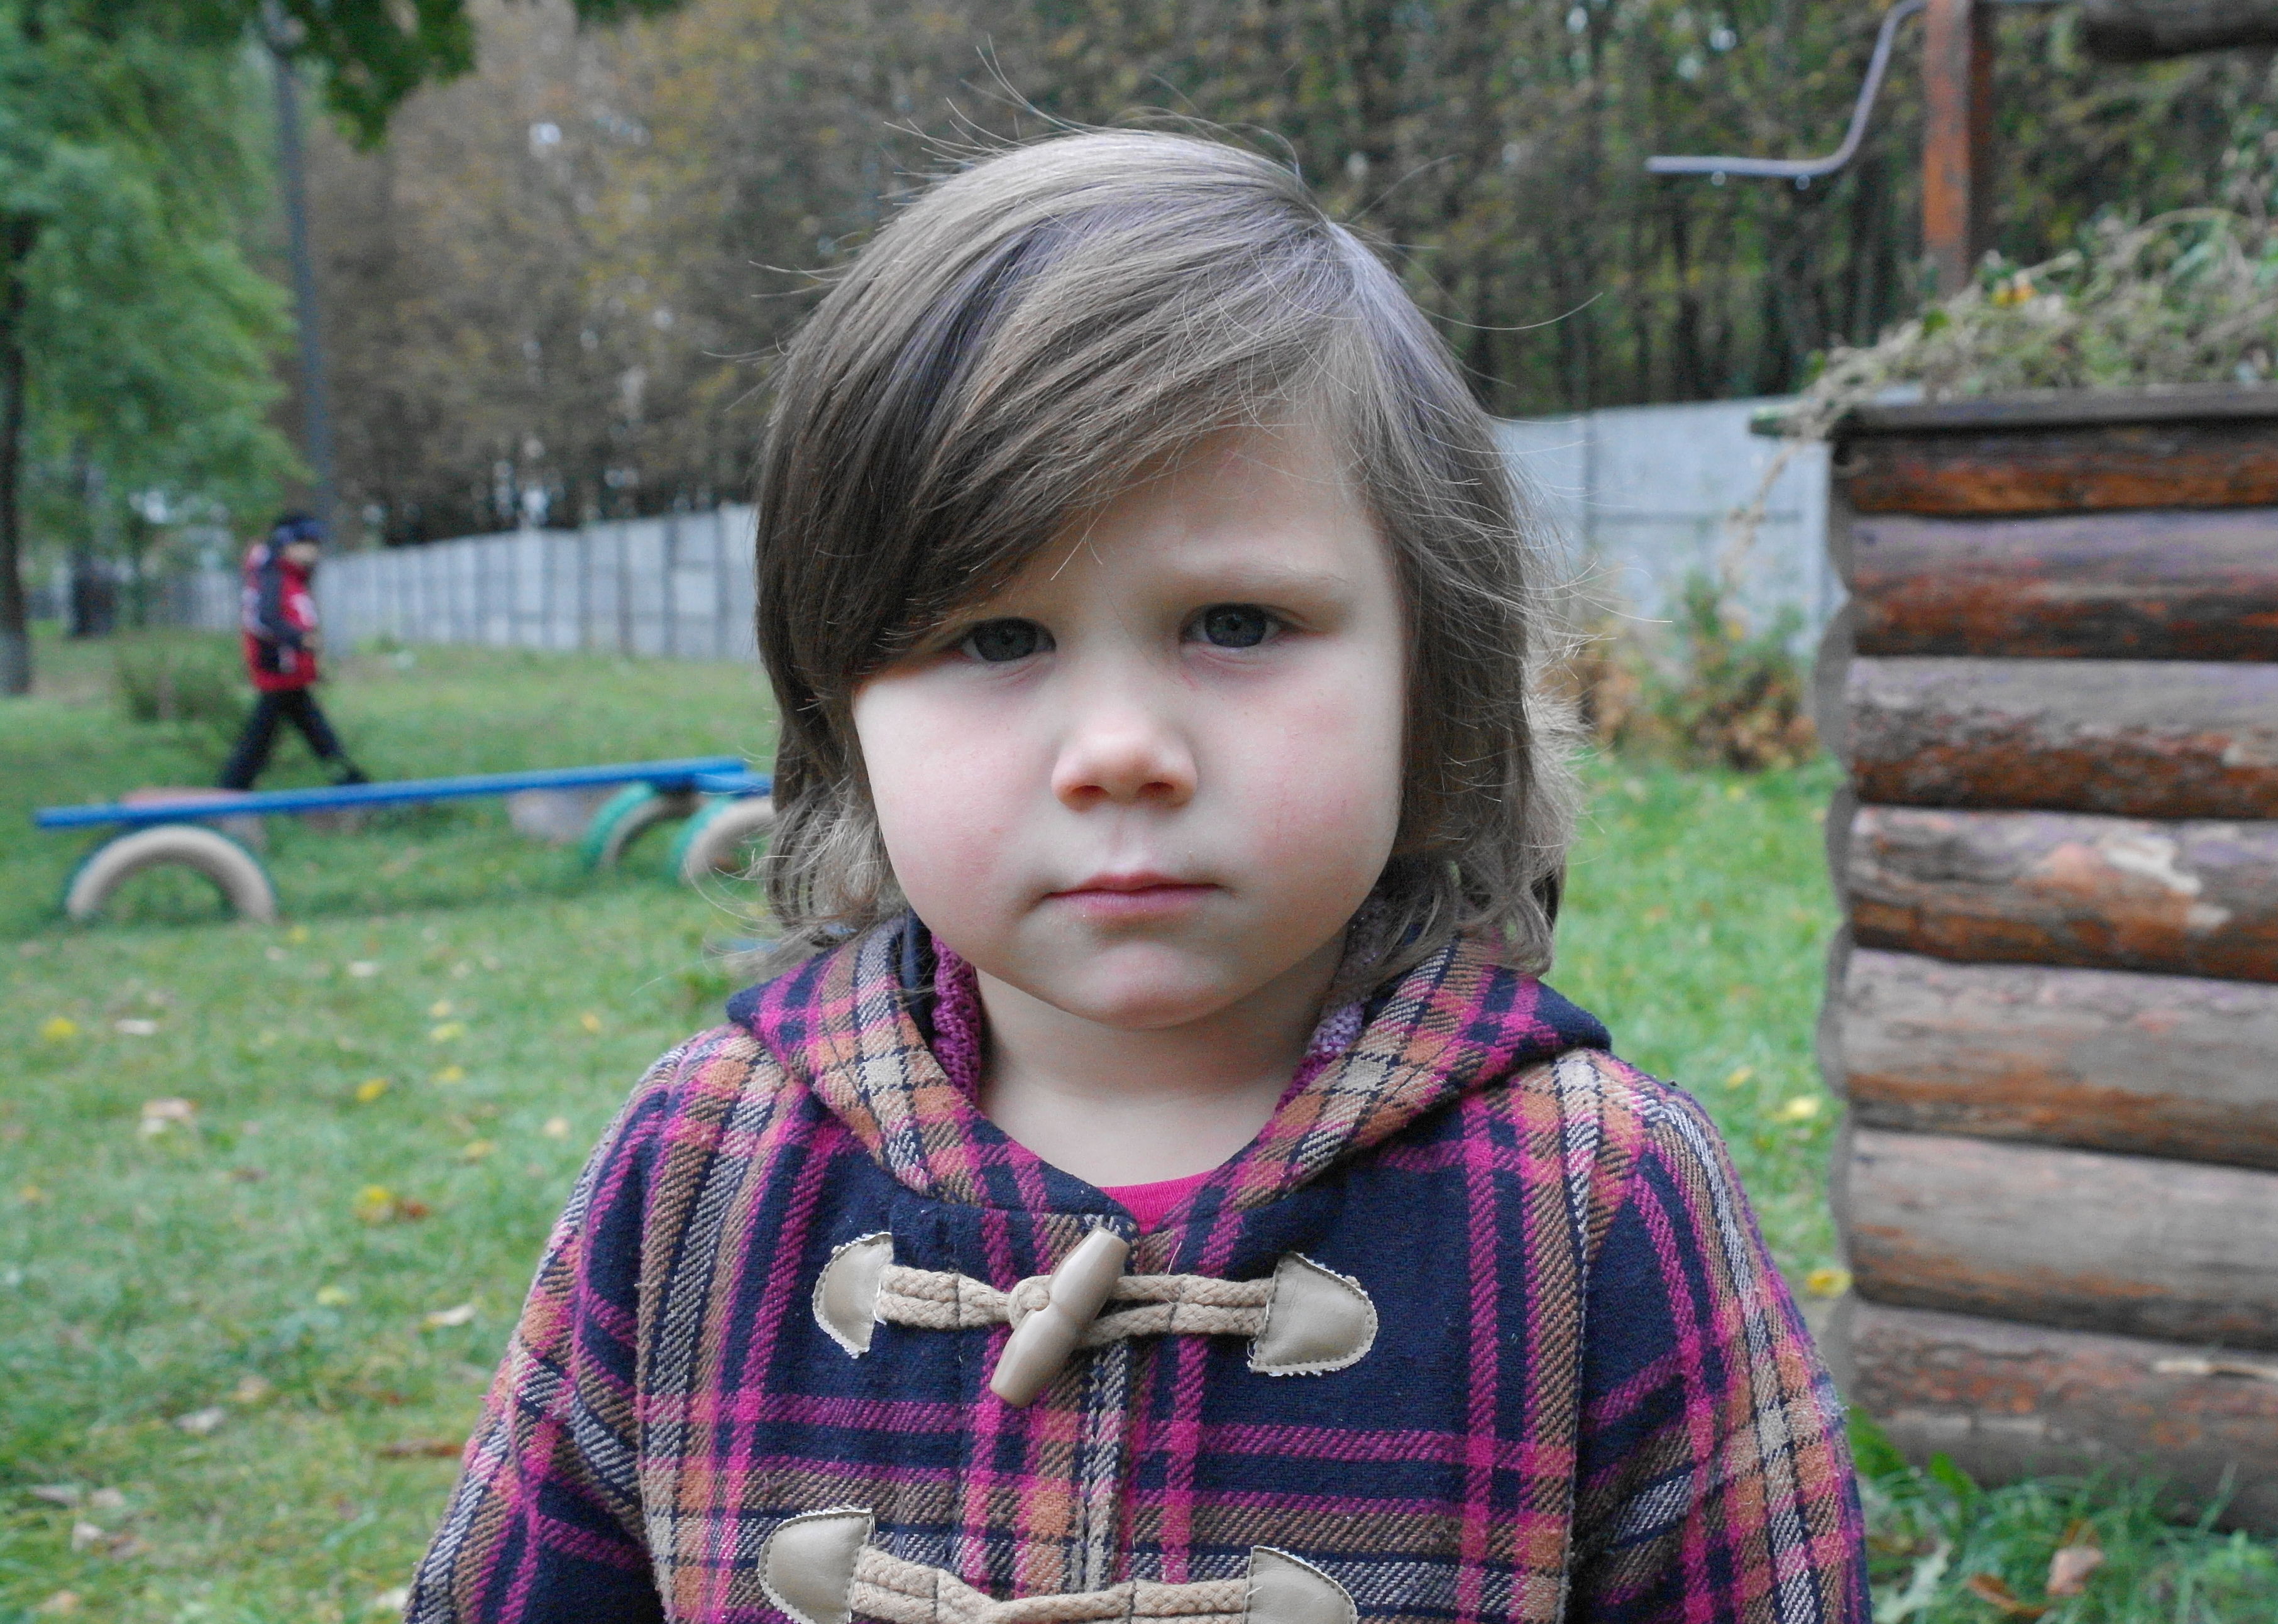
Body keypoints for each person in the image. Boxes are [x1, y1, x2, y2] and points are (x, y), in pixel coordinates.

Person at [407, 133, 1866, 1624]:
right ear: (837, 711)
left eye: (1235, 623)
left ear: (1437, 680)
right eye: (995, 637)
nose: (1119, 750)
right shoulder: (697, 1169)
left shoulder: (1598, 1200)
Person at [218, 513, 368, 790]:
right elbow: (265, 618)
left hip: (291, 674)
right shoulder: (272, 575)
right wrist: (301, 640)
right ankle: (229, 793)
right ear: (287, 544)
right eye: (307, 543)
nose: (314, 550)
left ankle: (352, 784)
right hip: (280, 671)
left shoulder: (291, 576)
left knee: (310, 734)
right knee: (263, 739)